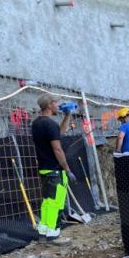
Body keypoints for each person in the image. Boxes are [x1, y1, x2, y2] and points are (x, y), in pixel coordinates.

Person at [31, 94, 77, 241]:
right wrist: (67, 169)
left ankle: (44, 229)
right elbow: (57, 149)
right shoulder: (50, 124)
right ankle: (53, 232)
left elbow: (60, 133)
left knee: (47, 200)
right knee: (55, 202)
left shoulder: (37, 123)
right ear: (50, 105)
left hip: (44, 168)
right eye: (56, 103)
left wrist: (67, 116)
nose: (58, 105)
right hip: (54, 169)